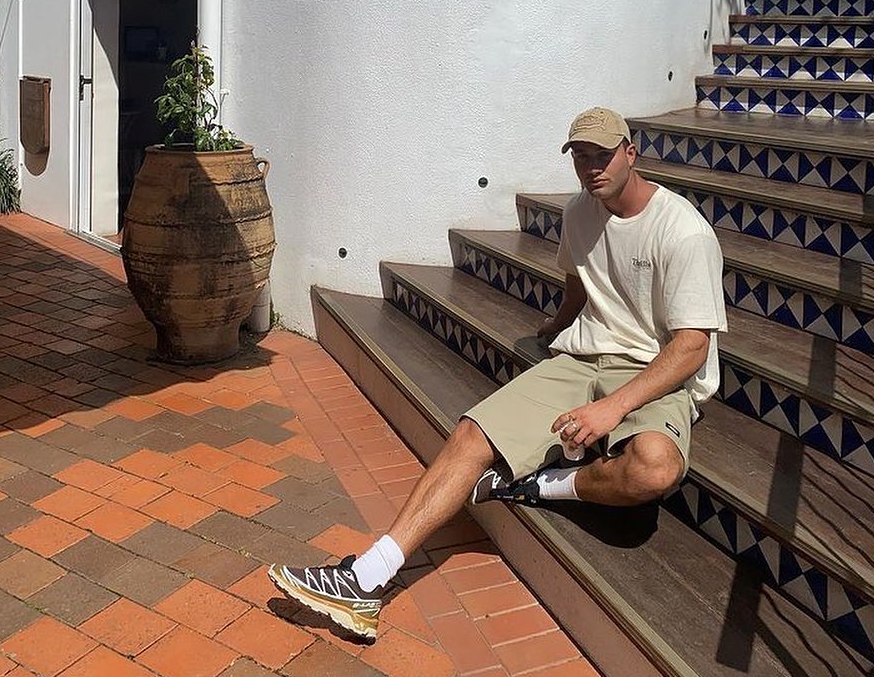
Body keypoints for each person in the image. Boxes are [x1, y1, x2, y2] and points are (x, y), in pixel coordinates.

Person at [270, 107, 727, 640]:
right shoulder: (580, 211)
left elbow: (692, 346)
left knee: (653, 470)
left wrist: (612, 408)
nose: (591, 167)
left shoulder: (682, 230)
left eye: (603, 155)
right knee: (471, 434)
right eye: (581, 156)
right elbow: (580, 284)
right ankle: (364, 578)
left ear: (631, 153)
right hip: (582, 358)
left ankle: (545, 485)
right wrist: (553, 327)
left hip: (654, 366)